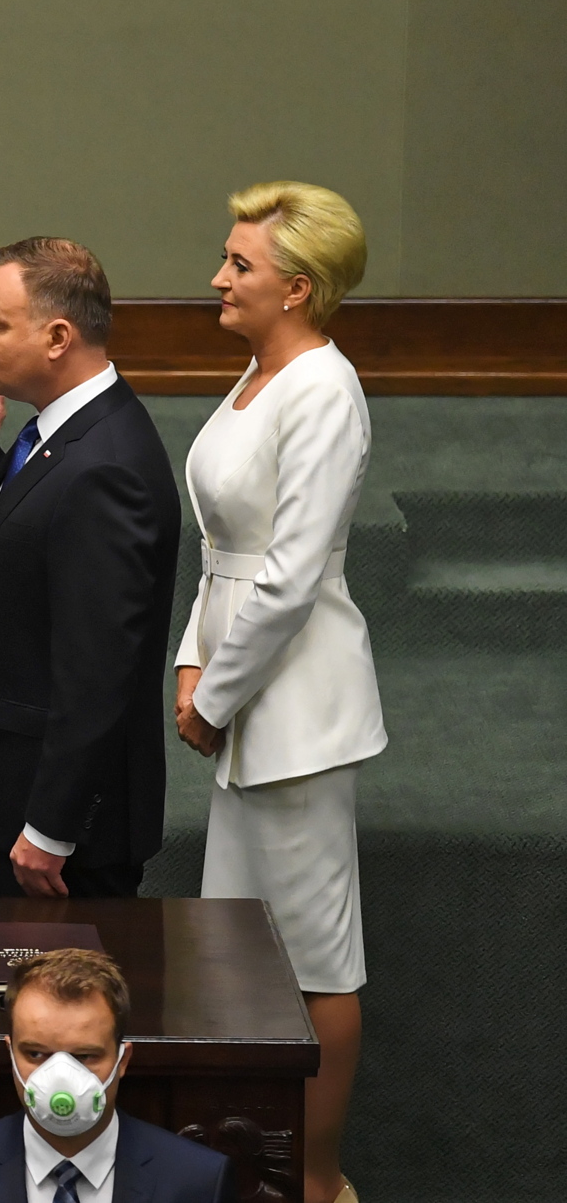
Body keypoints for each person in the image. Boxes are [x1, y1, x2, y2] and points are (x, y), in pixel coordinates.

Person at [174, 182, 385, 1203]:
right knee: (237, 949)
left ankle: (312, 1178)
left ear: (295, 287)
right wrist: (189, 661)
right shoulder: (257, 375)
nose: (218, 276)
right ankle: (241, 1164)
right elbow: (221, 553)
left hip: (294, 713)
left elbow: (291, 571)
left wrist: (211, 692)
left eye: (238, 263)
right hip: (238, 699)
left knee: (312, 958)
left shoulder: (322, 390)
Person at [0, 238, 182, 898]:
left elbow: (100, 667)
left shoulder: (107, 467)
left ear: (57, 336)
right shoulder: (64, 435)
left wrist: (52, 828)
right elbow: (43, 550)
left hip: (65, 838)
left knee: (66, 999)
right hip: (24, 801)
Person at [0, 948, 234, 1202]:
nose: (60, 1077)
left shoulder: (197, 1181)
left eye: (85, 1056)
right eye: (36, 1054)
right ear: (10, 1054)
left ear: (122, 1060)